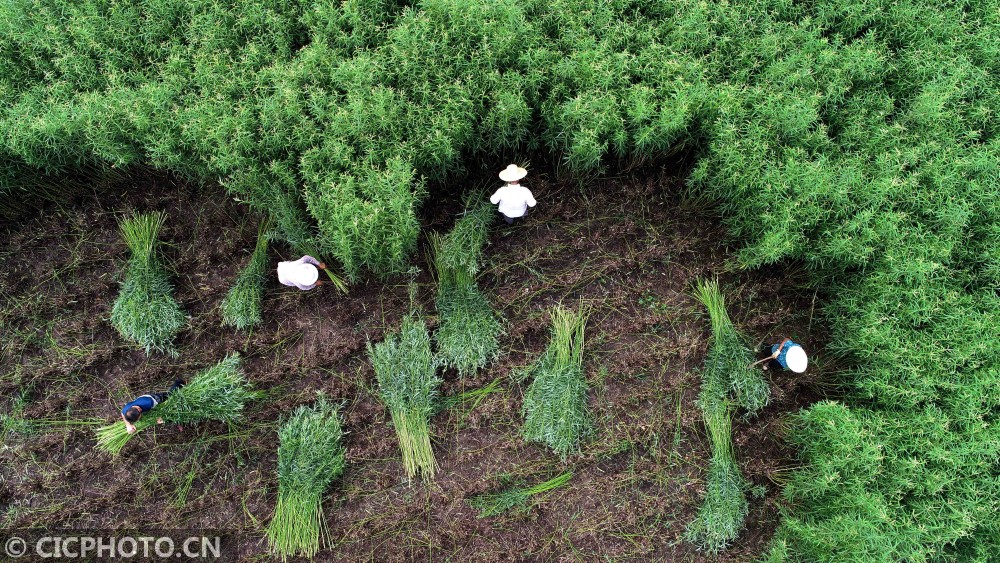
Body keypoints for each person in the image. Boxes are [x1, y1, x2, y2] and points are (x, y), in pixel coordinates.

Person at [121, 379, 185, 434]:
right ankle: (177, 421)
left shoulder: (148, 403)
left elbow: (161, 408)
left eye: (138, 409)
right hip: (148, 401)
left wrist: (160, 419)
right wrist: (128, 425)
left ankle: (179, 382)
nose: (139, 409)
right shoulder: (127, 409)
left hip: (157, 399)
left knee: (170, 395)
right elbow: (122, 413)